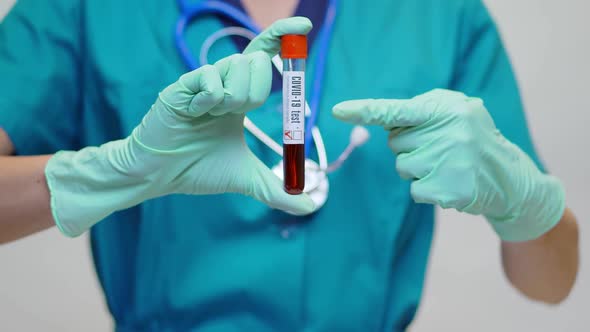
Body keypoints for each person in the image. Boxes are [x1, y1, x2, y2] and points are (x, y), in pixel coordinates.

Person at [0, 0, 579, 331]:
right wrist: (116, 171)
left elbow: (553, 282)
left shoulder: (438, 14)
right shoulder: (84, 10)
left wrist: (522, 201)